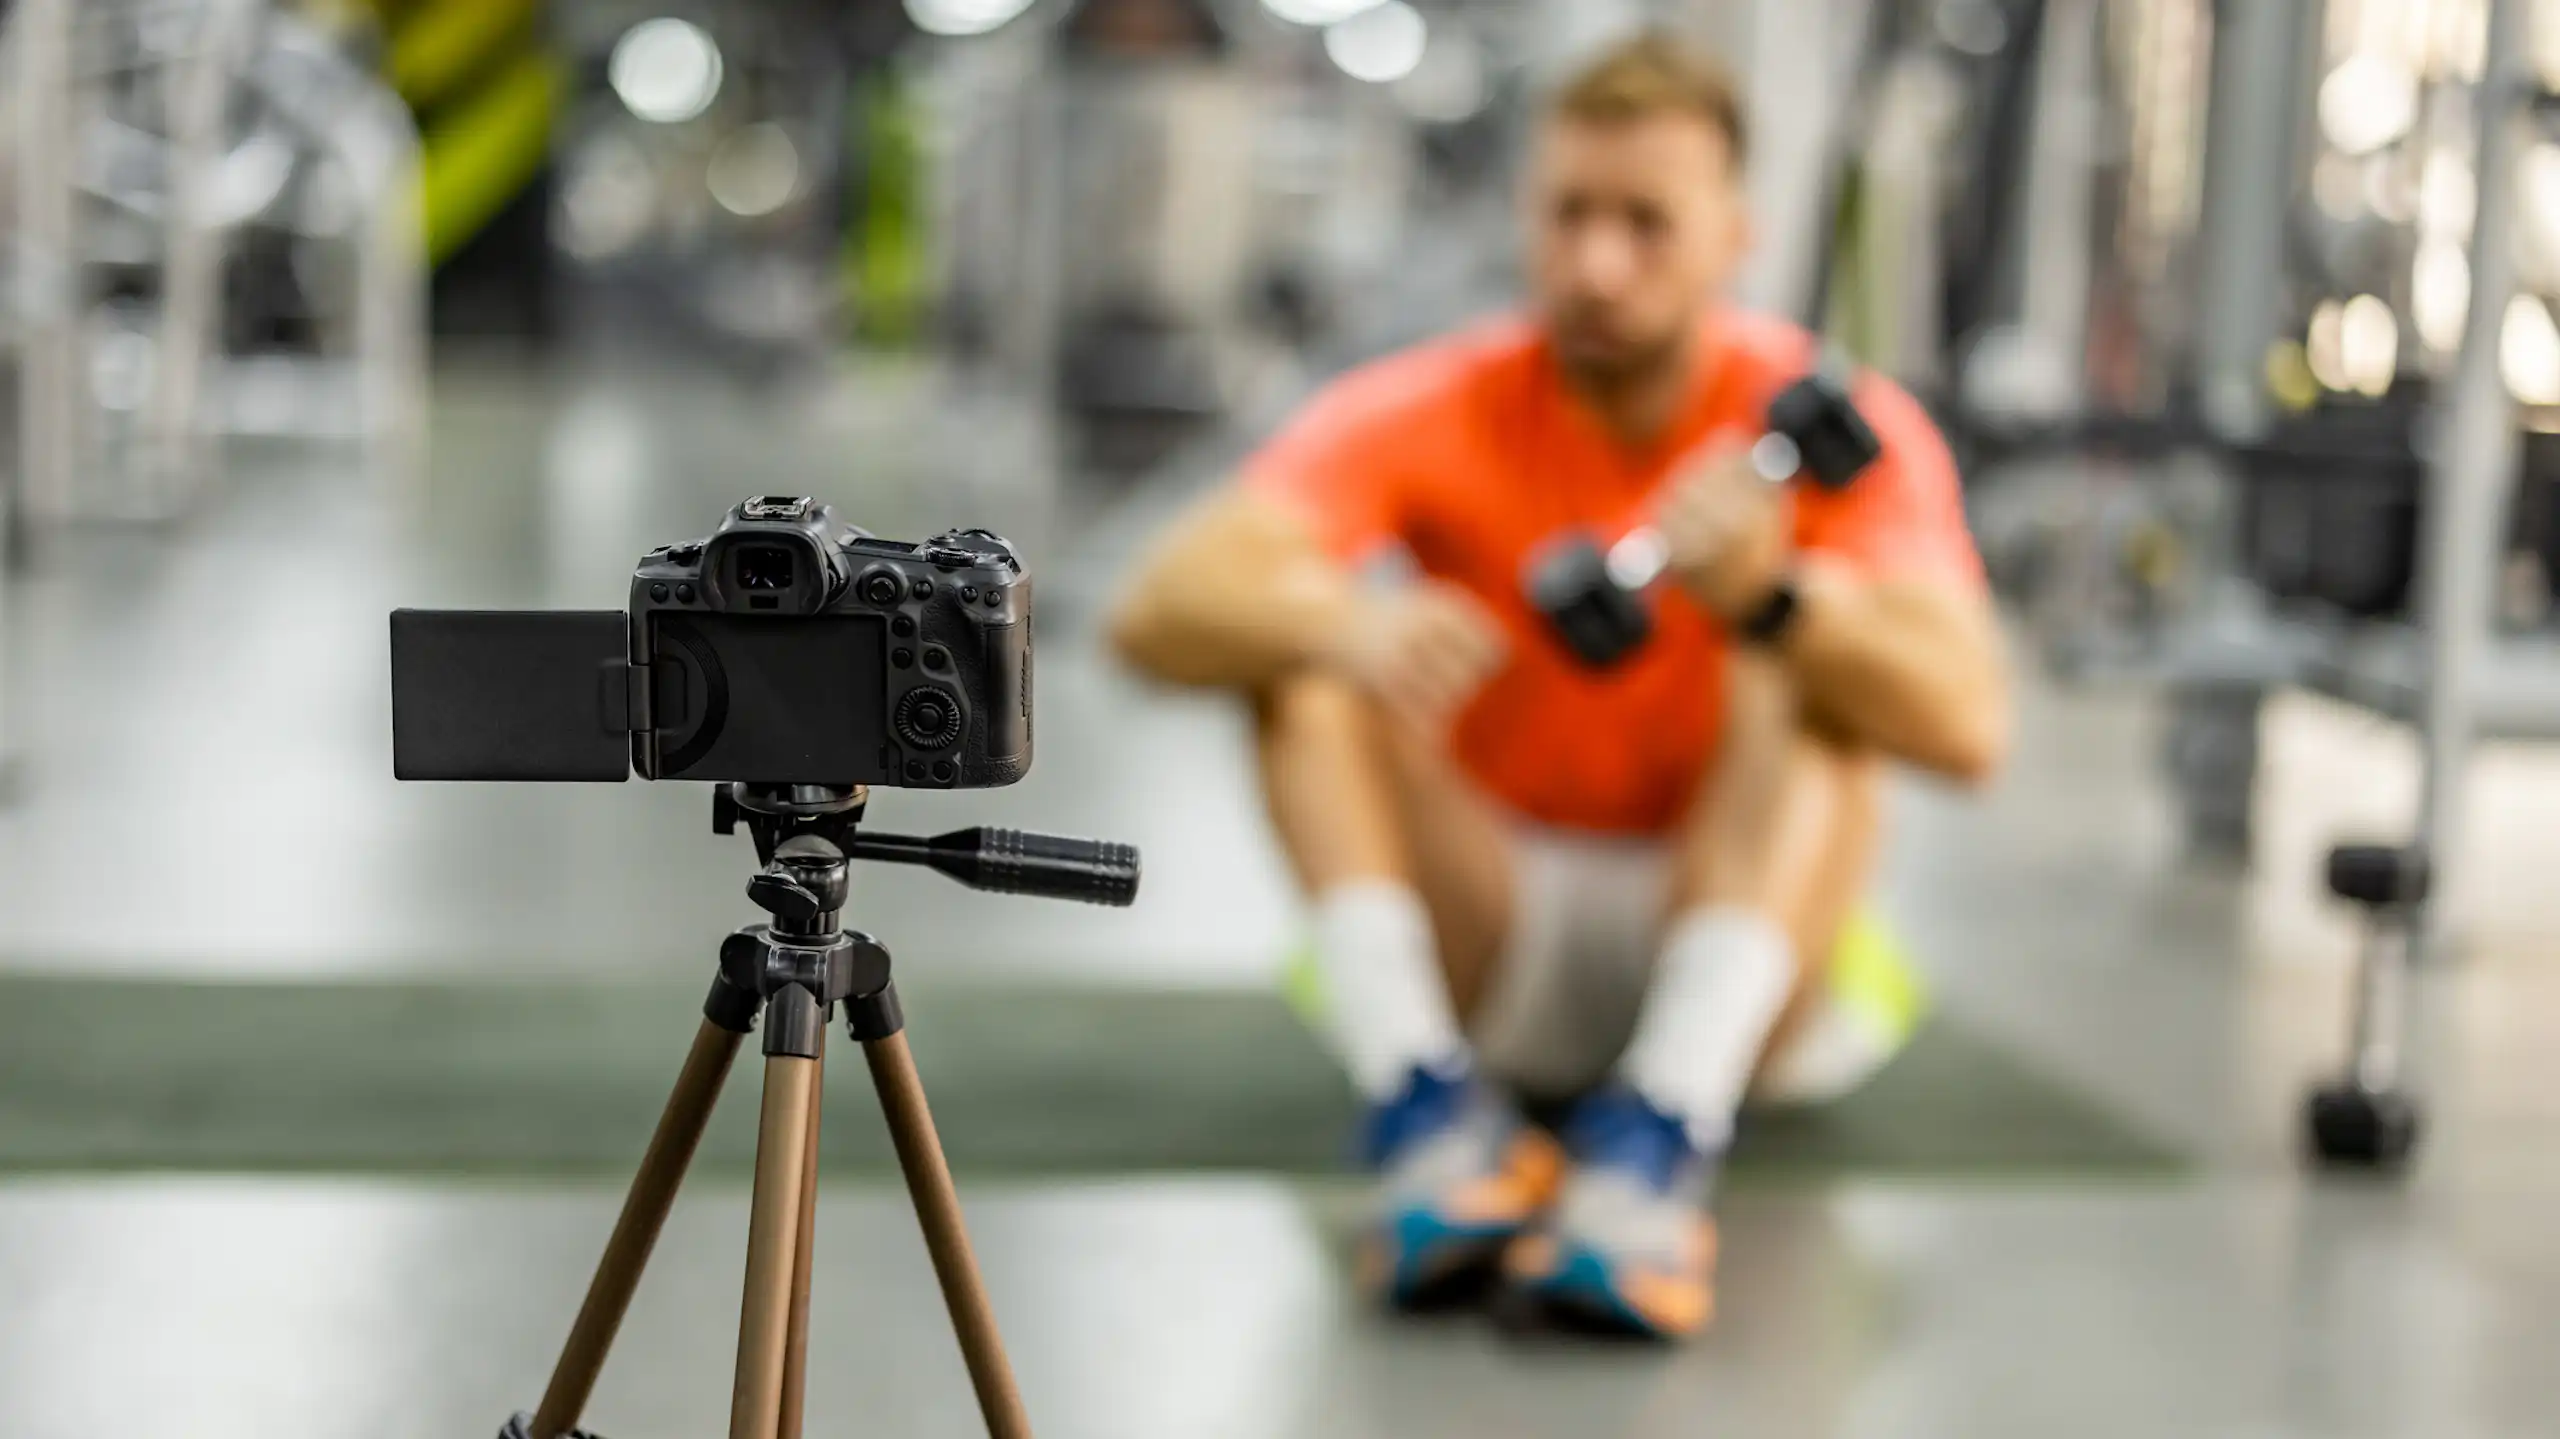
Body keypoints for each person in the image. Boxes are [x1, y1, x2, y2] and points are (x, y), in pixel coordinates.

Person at [1108, 31, 2009, 1339]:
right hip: (1494, 937)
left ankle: (1660, 1136)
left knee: (1808, 665)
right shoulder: (1438, 402)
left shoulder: (1833, 423)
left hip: (1740, 942)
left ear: (1734, 236)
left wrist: (1773, 596)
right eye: (1569, 215)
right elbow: (1153, 613)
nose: (1596, 264)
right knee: (1302, 663)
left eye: (1646, 224)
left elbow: (1972, 728)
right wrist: (1343, 621)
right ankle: (1426, 1110)